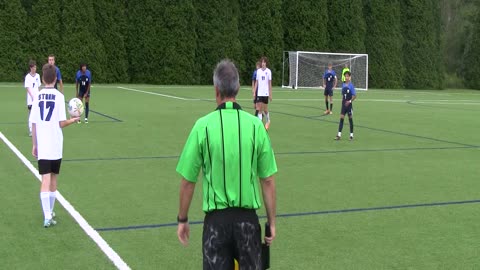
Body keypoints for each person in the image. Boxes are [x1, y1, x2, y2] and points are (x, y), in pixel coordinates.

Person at [176, 59, 277, 270]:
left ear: (216, 90)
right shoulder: (256, 126)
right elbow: (267, 180)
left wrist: (183, 219)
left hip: (216, 226)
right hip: (248, 225)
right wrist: (271, 223)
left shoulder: (202, 126)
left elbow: (188, 181)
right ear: (238, 88)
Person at [29, 63, 79, 227]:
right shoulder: (58, 96)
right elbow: (61, 123)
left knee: (45, 178)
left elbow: (34, 124)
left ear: (43, 79)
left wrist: (34, 144)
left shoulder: (37, 96)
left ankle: (47, 215)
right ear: (56, 79)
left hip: (43, 144)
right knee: (53, 179)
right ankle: (49, 213)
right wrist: (73, 120)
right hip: (56, 144)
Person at [334, 71, 356, 141]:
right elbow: (343, 95)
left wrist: (349, 101)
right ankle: (339, 135)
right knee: (341, 119)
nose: (346, 77)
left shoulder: (351, 86)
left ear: (349, 77)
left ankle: (351, 135)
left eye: (347, 76)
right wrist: (343, 102)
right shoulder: (343, 85)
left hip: (349, 105)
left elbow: (354, 96)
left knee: (350, 119)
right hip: (343, 105)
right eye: (345, 76)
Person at [253, 56, 272, 130]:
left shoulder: (269, 71)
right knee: (259, 109)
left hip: (266, 93)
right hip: (259, 93)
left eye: (264, 62)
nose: (263, 63)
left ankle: (268, 120)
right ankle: (260, 125)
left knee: (265, 109)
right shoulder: (258, 71)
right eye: (262, 62)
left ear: (266, 63)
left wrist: (270, 94)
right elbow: (256, 82)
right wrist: (254, 92)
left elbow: (269, 83)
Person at [24, 60, 41, 136]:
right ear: (30, 68)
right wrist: (32, 96)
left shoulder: (38, 76)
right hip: (30, 99)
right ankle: (31, 129)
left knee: (37, 113)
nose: (35, 68)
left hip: (37, 98)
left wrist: (39, 95)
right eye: (33, 67)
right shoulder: (27, 77)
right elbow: (27, 88)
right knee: (31, 113)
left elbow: (38, 86)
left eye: (35, 67)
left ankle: (37, 129)